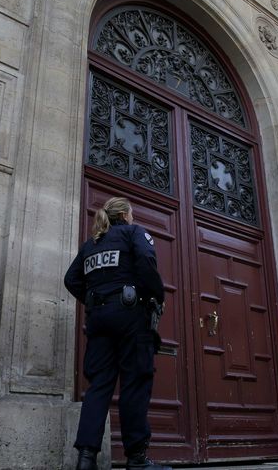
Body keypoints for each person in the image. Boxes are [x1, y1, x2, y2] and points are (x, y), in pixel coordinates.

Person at [64, 197, 172, 470]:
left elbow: (71, 279)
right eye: (132, 213)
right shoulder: (134, 233)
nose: (133, 217)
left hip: (99, 320)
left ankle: (86, 459)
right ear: (124, 214)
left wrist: (93, 299)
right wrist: (156, 296)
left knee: (99, 386)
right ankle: (136, 460)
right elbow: (147, 262)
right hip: (130, 317)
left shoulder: (91, 245)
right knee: (134, 384)